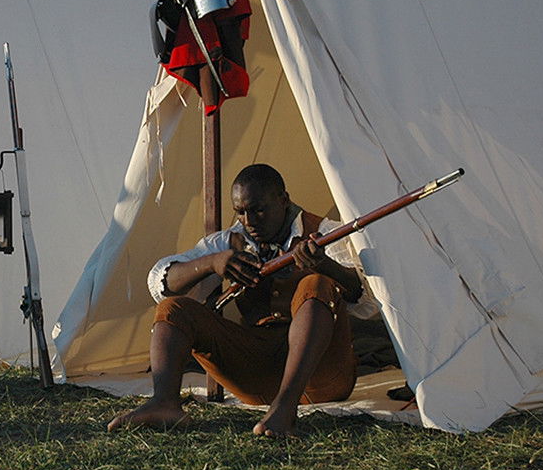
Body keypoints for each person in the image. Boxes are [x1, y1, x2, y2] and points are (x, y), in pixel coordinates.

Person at [108, 164, 379, 436]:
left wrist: (324, 266)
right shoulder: (230, 241)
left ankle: (285, 409)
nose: (249, 221)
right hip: (256, 377)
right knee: (173, 309)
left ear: (283, 200)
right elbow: (161, 284)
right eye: (240, 212)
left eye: (258, 210)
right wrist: (212, 263)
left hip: (321, 378)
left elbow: (367, 303)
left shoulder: (324, 232)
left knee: (315, 284)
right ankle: (164, 403)